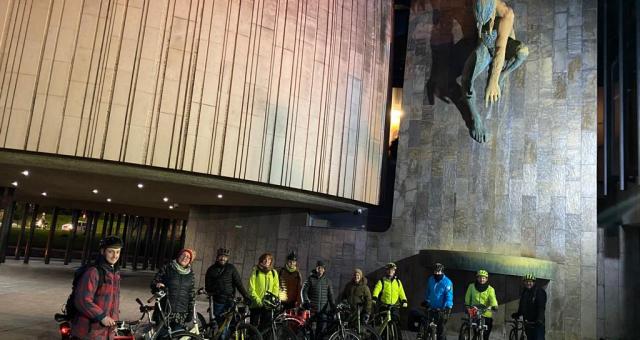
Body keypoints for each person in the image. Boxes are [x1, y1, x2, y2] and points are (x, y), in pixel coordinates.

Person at [461, 0, 529, 143]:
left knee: (523, 52)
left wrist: (494, 80)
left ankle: (504, 75)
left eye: (488, 20)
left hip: (501, 44)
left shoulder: (506, 14)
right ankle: (476, 119)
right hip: (485, 44)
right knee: (466, 80)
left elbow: (500, 49)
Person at [70, 236, 122, 340]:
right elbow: (83, 300)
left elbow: (113, 303)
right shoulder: (93, 272)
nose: (115, 256)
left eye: (118, 252)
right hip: (89, 332)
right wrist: (102, 317)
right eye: (111, 252)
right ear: (103, 251)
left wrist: (114, 323)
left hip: (106, 332)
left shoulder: (115, 274)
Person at [150, 248, 196, 329]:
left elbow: (191, 294)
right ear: (179, 256)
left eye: (188, 257)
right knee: (162, 336)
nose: (185, 258)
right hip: (165, 310)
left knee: (176, 335)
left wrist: (191, 311)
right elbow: (154, 283)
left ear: (190, 261)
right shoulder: (167, 268)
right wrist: (157, 285)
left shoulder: (191, 274)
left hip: (181, 313)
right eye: (183, 255)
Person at [205, 248, 251, 325]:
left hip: (230, 300)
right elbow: (207, 286)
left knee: (232, 322)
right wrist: (216, 290)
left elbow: (238, 283)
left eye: (225, 256)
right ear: (217, 257)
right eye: (221, 256)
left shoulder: (231, 268)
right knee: (220, 323)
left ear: (227, 258)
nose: (223, 258)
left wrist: (246, 296)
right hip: (218, 301)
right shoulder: (211, 269)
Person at [301, 260, 336, 339]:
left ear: (324, 270)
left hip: (323, 310)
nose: (320, 270)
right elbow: (303, 291)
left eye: (322, 268)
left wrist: (333, 306)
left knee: (321, 332)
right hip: (312, 310)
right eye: (319, 268)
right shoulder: (310, 279)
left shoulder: (328, 281)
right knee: (311, 332)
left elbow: (331, 295)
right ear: (316, 268)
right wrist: (305, 301)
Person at [248, 252, 280, 329]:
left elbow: (276, 287)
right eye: (265, 259)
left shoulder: (273, 273)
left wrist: (271, 300)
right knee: (253, 329)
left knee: (265, 328)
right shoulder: (256, 271)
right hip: (256, 305)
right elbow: (251, 288)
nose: (267, 261)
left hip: (268, 306)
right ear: (261, 261)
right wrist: (258, 301)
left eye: (269, 260)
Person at [464, 269, 498, 340]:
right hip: (474, 311)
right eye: (480, 277)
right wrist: (467, 306)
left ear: (486, 279)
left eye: (483, 278)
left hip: (486, 313)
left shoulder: (490, 289)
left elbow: (493, 299)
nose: (481, 279)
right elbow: (467, 297)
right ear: (477, 278)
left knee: (486, 335)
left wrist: (494, 306)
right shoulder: (471, 286)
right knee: (475, 332)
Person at [422, 263, 453, 340]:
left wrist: (448, 306)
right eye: (435, 271)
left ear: (442, 271)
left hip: (442, 310)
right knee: (426, 326)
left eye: (438, 271)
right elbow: (428, 292)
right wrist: (427, 301)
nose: (436, 273)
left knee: (441, 330)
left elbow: (449, 296)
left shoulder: (447, 282)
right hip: (431, 307)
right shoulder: (431, 279)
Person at [512, 273, 546, 340]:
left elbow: (541, 307)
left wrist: (540, 319)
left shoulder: (539, 292)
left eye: (530, 282)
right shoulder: (525, 292)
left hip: (537, 323)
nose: (528, 283)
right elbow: (522, 305)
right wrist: (518, 314)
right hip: (528, 322)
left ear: (534, 282)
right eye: (526, 281)